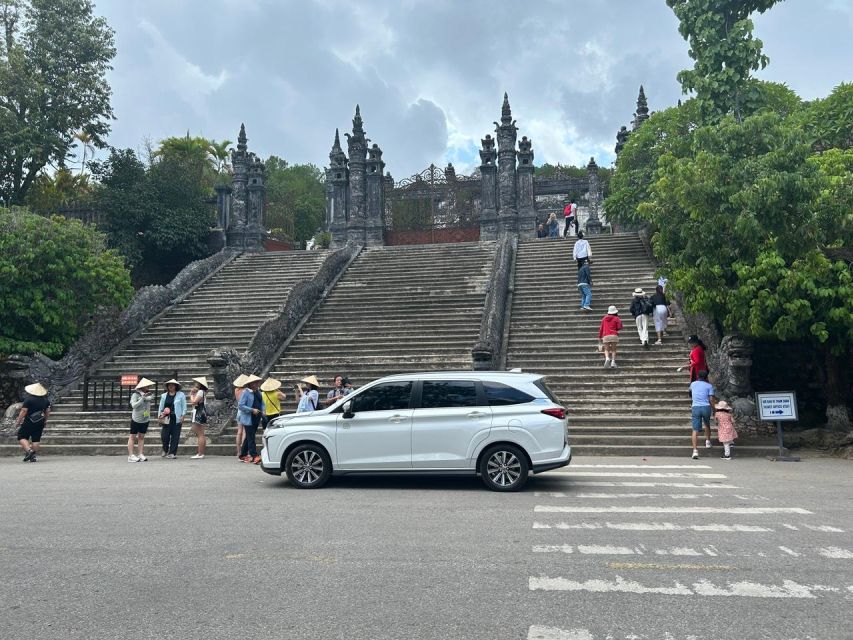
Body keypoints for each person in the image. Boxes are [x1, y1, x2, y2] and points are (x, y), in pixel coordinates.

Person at [15, 383, 51, 462]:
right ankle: (33, 456)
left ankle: (29, 451)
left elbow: (23, 411)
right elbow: (48, 411)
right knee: (36, 439)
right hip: (40, 422)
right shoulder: (45, 400)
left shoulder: (29, 399)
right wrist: (45, 420)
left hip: (29, 421)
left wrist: (18, 421)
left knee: (21, 436)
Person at [689, 370, 717, 459]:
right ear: (706, 377)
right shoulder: (709, 386)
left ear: (698, 376)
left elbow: (690, 393)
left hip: (695, 407)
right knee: (707, 424)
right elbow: (711, 399)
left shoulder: (693, 384)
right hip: (706, 407)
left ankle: (695, 451)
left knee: (695, 429)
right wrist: (714, 410)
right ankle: (708, 442)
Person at [238, 374, 265, 464]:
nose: (257, 384)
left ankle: (243, 454)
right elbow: (241, 405)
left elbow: (262, 403)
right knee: (251, 437)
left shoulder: (258, 392)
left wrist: (263, 410)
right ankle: (254, 456)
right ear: (250, 383)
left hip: (257, 417)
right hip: (248, 418)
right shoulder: (246, 392)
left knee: (249, 436)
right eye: (255, 382)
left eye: (257, 382)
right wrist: (251, 410)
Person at [157, 379, 187, 459]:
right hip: (166, 418)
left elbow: (184, 406)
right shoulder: (164, 395)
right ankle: (165, 449)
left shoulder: (181, 395)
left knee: (175, 436)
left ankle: (172, 453)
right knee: (164, 436)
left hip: (176, 418)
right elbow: (161, 407)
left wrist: (183, 415)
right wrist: (159, 416)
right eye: (169, 385)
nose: (171, 386)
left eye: (173, 385)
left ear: (176, 386)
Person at [128, 378, 155, 462]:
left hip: (145, 418)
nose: (148, 387)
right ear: (142, 386)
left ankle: (140, 454)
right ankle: (131, 455)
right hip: (136, 419)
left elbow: (150, 399)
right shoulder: (135, 395)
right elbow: (134, 406)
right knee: (132, 436)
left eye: (149, 386)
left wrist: (147, 397)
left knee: (141, 437)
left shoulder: (148, 395)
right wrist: (142, 398)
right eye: (147, 386)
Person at [187, 376, 209, 459]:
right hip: (201, 412)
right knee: (200, 433)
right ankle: (201, 453)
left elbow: (194, 402)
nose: (195, 384)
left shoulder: (200, 392)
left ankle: (200, 453)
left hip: (199, 412)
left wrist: (191, 395)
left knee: (200, 434)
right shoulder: (202, 392)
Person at [233, 374, 249, 457]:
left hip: (239, 411)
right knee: (245, 432)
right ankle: (244, 452)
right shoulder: (246, 390)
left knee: (239, 432)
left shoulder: (236, 390)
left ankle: (238, 451)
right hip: (245, 412)